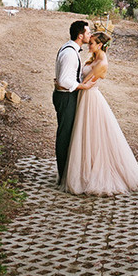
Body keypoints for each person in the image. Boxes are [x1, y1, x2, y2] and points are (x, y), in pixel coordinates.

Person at [60, 31, 138, 196]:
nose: (89, 45)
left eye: (92, 43)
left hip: (90, 99)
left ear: (100, 45)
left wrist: (66, 83)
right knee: (84, 134)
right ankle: (84, 169)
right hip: (83, 97)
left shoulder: (102, 63)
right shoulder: (93, 59)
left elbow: (85, 84)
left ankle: (94, 173)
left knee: (93, 134)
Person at [53, 20, 91, 182]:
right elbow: (63, 80)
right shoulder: (70, 53)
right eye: (88, 33)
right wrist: (82, 86)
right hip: (66, 97)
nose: (90, 35)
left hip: (65, 96)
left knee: (68, 133)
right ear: (80, 35)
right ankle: (63, 175)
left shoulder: (68, 48)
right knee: (65, 135)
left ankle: (68, 171)